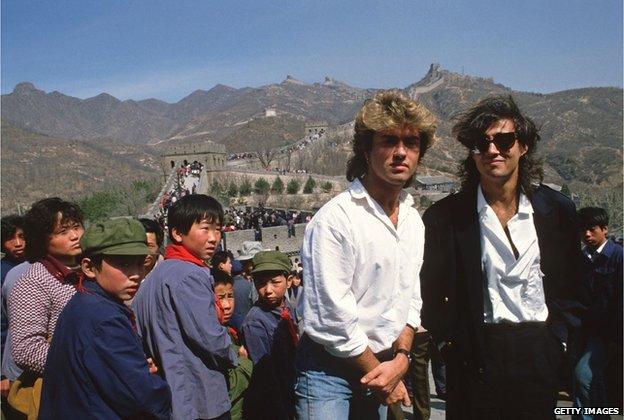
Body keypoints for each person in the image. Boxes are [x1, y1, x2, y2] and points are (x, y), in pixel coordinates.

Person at [420, 95, 587, 418]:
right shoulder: (448, 217)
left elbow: (572, 284)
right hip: (475, 354)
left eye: (504, 140)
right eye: (481, 143)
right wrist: (448, 345)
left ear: (523, 146)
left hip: (539, 350)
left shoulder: (556, 211)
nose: (493, 150)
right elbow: (429, 288)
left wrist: (559, 340)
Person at [296, 90, 437, 418]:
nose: (401, 153)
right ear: (367, 149)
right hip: (329, 371)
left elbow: (410, 297)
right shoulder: (335, 220)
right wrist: (385, 376)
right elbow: (333, 319)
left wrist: (401, 357)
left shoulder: (413, 221)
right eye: (388, 141)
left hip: (387, 361)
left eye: (411, 143)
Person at [39, 218, 172, 419]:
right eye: (123, 264)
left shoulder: (86, 302)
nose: (135, 274)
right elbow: (141, 394)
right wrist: (158, 388)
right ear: (89, 267)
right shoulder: (104, 318)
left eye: (139, 263)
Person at [132, 194, 237, 420]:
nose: (214, 238)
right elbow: (210, 336)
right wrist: (233, 352)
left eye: (217, 230)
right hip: (200, 396)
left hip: (169, 395)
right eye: (205, 229)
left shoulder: (153, 278)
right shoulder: (190, 275)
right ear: (177, 233)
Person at [8, 198, 84, 417]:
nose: (74, 236)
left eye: (76, 227)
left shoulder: (89, 269)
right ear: (42, 239)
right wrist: (84, 361)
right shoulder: (34, 281)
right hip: (64, 391)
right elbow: (26, 349)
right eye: (62, 232)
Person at [573, 207, 623, 417]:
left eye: (592, 229)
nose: (587, 235)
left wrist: (617, 339)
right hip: (582, 331)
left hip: (606, 335)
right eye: (583, 230)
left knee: (583, 375)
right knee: (585, 382)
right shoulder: (580, 259)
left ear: (605, 229)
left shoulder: (618, 257)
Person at [241, 250, 299, 419]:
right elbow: (266, 375)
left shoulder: (288, 309)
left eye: (275, 282)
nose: (268, 290)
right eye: (261, 283)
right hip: (278, 399)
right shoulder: (255, 322)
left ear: (288, 281)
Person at [213, 269, 253, 420]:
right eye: (220, 298)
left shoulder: (228, 331)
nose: (227, 305)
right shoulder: (210, 338)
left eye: (230, 296)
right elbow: (229, 388)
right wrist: (244, 363)